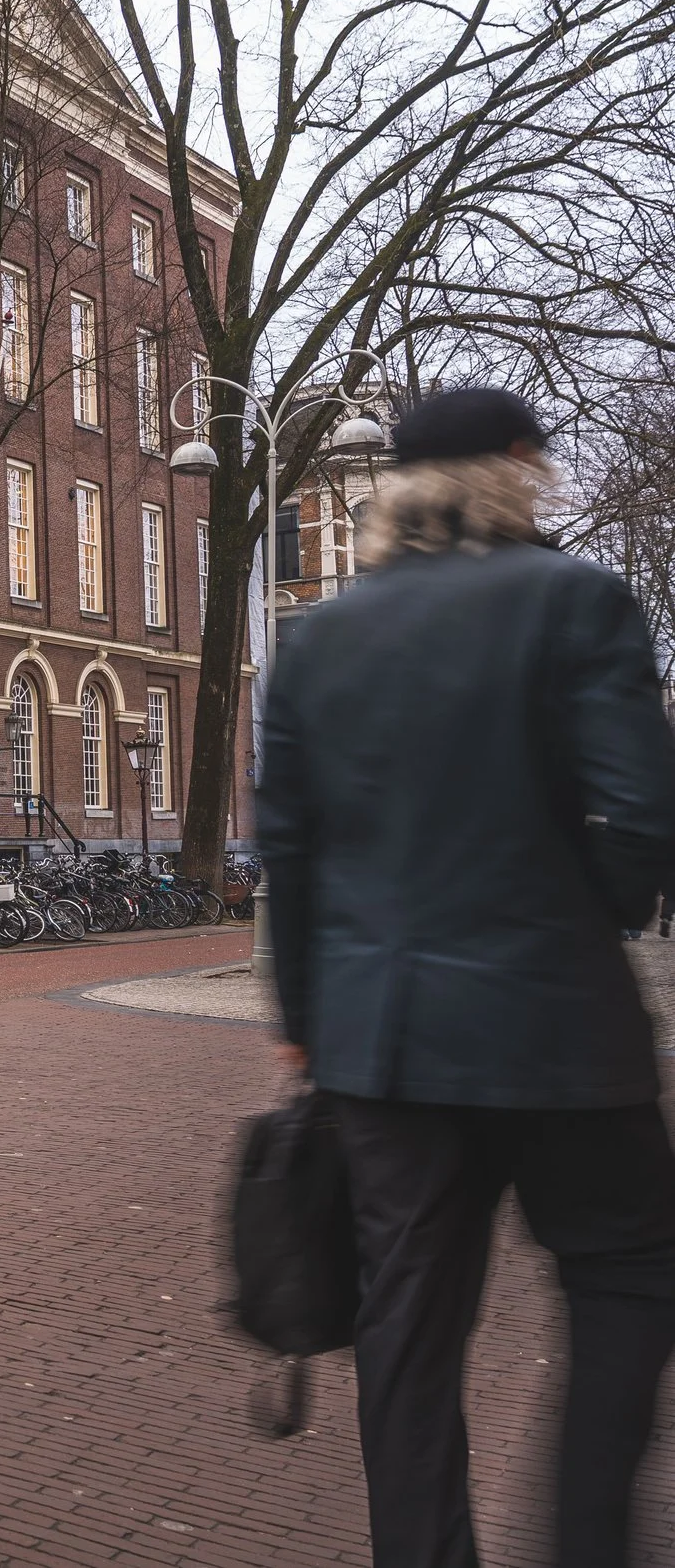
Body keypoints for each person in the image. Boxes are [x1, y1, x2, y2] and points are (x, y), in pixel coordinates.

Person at [259, 387, 675, 1568]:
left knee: (407, 1323)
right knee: (630, 1275)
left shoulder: (322, 638)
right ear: (515, 466)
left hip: (381, 1046)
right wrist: (582, 911)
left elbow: (287, 849)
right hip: (557, 1031)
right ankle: (587, 1540)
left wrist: (303, 1020)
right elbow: (645, 814)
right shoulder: (575, 600)